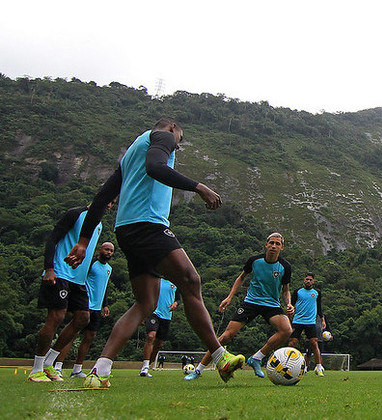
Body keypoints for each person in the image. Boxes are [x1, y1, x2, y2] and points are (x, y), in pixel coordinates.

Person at [64, 118, 244, 387]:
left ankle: (100, 370)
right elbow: (155, 167)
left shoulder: (131, 153)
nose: (176, 146)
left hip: (126, 230)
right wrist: (199, 187)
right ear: (172, 129)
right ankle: (220, 357)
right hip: (147, 224)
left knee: (145, 303)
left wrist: (83, 240)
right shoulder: (164, 137)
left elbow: (102, 197)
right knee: (190, 281)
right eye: (179, 141)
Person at [186, 233, 293, 380]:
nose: (274, 246)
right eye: (272, 243)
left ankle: (256, 358)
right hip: (251, 302)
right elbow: (241, 277)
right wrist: (229, 297)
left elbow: (286, 289)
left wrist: (288, 303)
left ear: (282, 247)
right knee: (226, 336)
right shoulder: (254, 261)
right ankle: (198, 370)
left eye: (278, 244)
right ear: (266, 244)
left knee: (286, 330)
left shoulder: (285, 266)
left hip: (271, 304)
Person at [28, 204, 105, 383]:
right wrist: (48, 268)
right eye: (107, 200)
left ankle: (49, 362)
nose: (108, 205)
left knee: (83, 318)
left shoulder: (98, 225)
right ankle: (36, 368)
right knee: (56, 317)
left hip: (78, 280)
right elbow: (52, 239)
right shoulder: (75, 214)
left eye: (112, 203)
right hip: (60, 272)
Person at [53, 242, 115, 378]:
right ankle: (57, 366)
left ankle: (77, 369)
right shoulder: (90, 264)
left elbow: (104, 288)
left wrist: (105, 304)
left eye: (111, 251)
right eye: (106, 249)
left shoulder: (109, 269)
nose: (109, 253)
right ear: (100, 250)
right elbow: (78, 281)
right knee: (72, 335)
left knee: (89, 337)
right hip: (84, 305)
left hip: (97, 308)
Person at [288, 272, 326, 376]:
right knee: (292, 343)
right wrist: (288, 315)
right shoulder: (297, 291)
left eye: (310, 280)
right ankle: (288, 365)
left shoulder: (317, 293)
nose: (308, 281)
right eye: (306, 279)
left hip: (310, 322)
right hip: (298, 321)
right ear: (304, 280)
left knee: (314, 343)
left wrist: (323, 320)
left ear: (313, 281)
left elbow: (319, 307)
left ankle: (318, 367)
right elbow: (291, 305)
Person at [139, 278, 179, 377]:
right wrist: (143, 314)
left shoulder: (175, 283)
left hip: (167, 316)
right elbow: (145, 296)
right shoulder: (155, 281)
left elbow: (178, 299)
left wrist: (176, 303)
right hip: (154, 313)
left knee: (159, 344)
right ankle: (145, 367)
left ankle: (148, 365)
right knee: (151, 336)